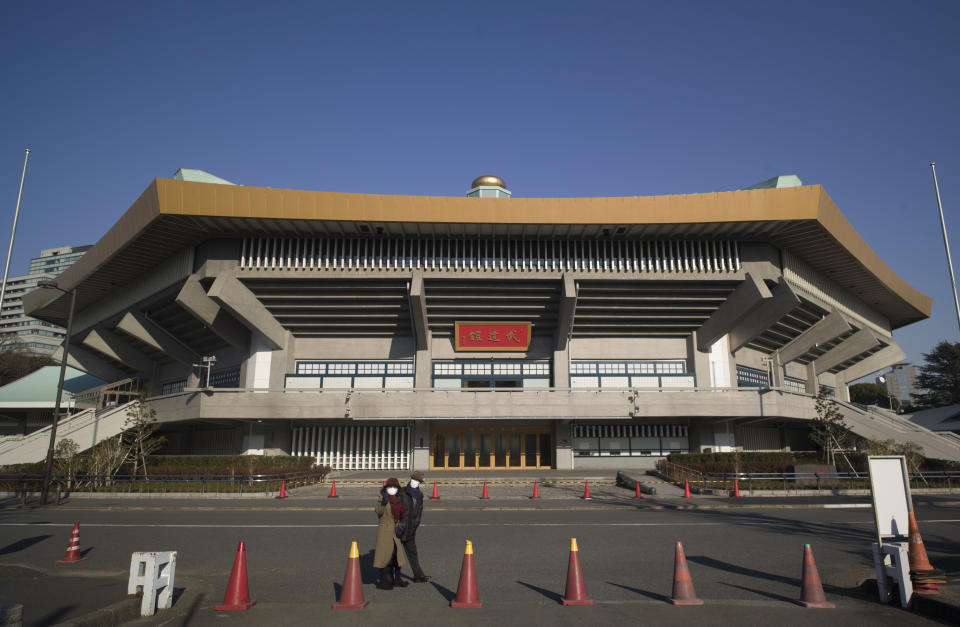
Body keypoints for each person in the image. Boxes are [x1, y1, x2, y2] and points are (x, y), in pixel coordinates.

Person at [374, 477, 408, 590]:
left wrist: (402, 524)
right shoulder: (382, 498)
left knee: (396, 556)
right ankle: (386, 580)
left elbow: (402, 514)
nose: (392, 489)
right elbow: (378, 512)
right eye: (390, 487)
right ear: (386, 488)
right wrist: (383, 503)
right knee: (386, 557)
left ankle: (397, 579)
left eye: (395, 487)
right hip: (385, 531)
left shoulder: (398, 499)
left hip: (395, 531)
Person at [398, 470, 430, 583]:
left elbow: (419, 511)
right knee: (395, 555)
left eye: (417, 481)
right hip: (399, 528)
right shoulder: (401, 492)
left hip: (411, 529)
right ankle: (393, 578)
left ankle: (418, 575)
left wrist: (416, 524)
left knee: (412, 553)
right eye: (413, 479)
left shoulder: (420, 495)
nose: (414, 482)